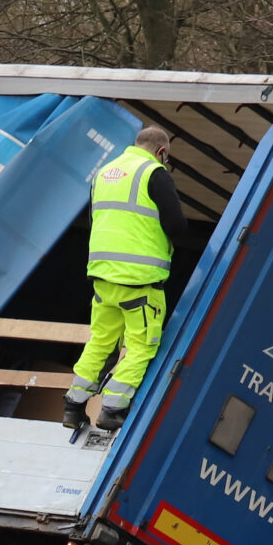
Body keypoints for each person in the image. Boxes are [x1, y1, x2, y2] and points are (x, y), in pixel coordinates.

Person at [65, 125, 187, 435]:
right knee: (140, 347)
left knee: (101, 341)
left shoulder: (104, 172)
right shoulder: (155, 173)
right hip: (141, 281)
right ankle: (112, 410)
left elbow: (96, 221)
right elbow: (176, 224)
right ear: (162, 152)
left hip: (103, 278)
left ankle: (74, 406)